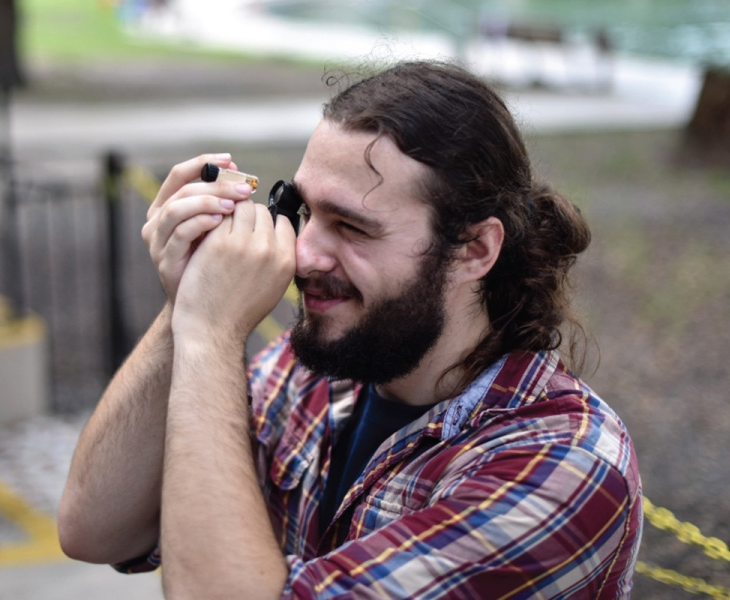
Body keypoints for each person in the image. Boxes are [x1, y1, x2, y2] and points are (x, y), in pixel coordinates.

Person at [58, 60, 642, 599]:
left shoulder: (561, 464)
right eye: (306, 212)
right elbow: (94, 530)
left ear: (474, 249)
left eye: (353, 228)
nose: (303, 254)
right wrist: (184, 308)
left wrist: (211, 333)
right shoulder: (310, 372)